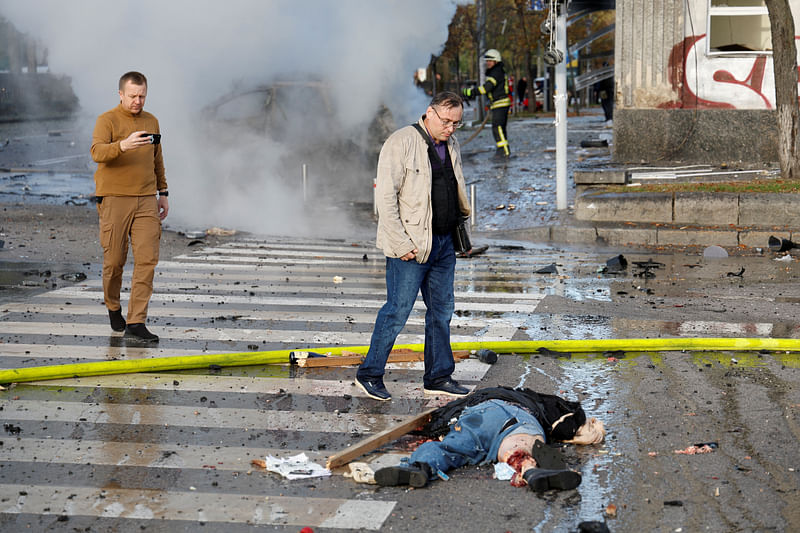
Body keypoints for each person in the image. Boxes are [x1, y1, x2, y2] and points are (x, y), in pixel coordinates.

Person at [355, 91, 471, 401]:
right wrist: (400, 242)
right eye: (446, 121)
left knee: (441, 312)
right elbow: (386, 199)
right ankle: (369, 374)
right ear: (429, 113)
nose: (450, 128)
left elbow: (453, 187)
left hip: (444, 243)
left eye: (456, 123)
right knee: (397, 311)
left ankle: (438, 376)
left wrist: (462, 234)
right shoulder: (401, 142)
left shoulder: (451, 144)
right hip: (412, 246)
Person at [373, 386, 606, 491]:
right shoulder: (545, 412)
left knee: (449, 449)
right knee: (521, 447)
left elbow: (442, 417)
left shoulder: (505, 395)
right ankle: (530, 470)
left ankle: (421, 466)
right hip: (517, 419)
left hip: (479, 417)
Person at [90, 71, 168, 342]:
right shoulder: (107, 120)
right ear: (121, 94)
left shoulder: (152, 121)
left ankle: (136, 321)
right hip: (114, 198)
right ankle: (113, 307)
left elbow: (157, 159)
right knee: (114, 262)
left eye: (142, 95)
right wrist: (122, 145)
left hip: (146, 199)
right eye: (133, 96)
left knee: (147, 260)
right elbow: (96, 152)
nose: (138, 101)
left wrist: (163, 192)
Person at [462, 49, 511, 158]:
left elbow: (487, 88)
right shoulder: (498, 71)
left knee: (497, 127)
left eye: (490, 60)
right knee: (500, 128)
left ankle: (504, 152)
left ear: (496, 61)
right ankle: (503, 150)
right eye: (487, 61)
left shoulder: (495, 72)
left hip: (500, 103)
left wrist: (470, 92)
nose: (488, 63)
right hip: (499, 103)